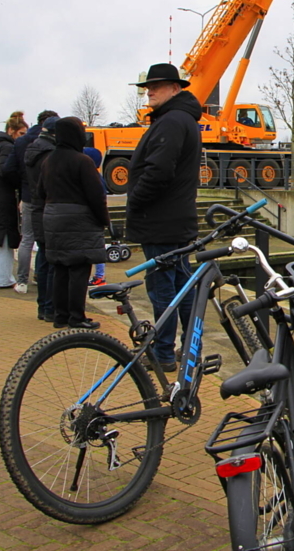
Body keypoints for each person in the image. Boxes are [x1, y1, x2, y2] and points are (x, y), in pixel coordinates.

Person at [126, 63, 203, 373]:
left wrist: (134, 201)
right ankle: (189, 349)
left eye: (157, 86)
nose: (150, 92)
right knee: (183, 286)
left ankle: (164, 352)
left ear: (176, 88)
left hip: (161, 222)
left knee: (163, 289)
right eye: (147, 87)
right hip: (176, 220)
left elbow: (159, 171)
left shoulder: (171, 122)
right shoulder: (182, 120)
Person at [39, 117, 107, 329]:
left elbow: (40, 192)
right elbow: (96, 195)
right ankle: (77, 317)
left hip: (53, 217)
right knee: (79, 268)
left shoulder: (48, 161)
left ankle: (60, 316)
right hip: (78, 220)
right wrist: (104, 220)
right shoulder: (82, 161)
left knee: (60, 267)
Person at [12, 110, 58, 294]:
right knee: (47, 241)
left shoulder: (22, 141)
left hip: (28, 195)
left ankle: (22, 280)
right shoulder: (54, 145)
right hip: (49, 198)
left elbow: (9, 168)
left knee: (28, 238)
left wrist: (23, 186)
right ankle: (42, 276)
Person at [0, 112, 28, 288]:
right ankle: (4, 278)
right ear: (12, 130)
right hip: (2, 195)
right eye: (21, 134)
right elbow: (7, 171)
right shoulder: (7, 147)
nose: (22, 138)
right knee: (4, 235)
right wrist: (20, 182)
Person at [25, 116, 59, 321]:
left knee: (43, 258)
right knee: (52, 260)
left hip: (36, 205)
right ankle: (50, 307)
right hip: (49, 207)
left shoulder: (31, 149)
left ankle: (43, 307)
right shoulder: (51, 153)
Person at [82, 134, 107, 288]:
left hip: (92, 218)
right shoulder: (97, 177)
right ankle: (99, 274)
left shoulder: (94, 178)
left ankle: (99, 275)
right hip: (94, 217)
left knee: (95, 247)